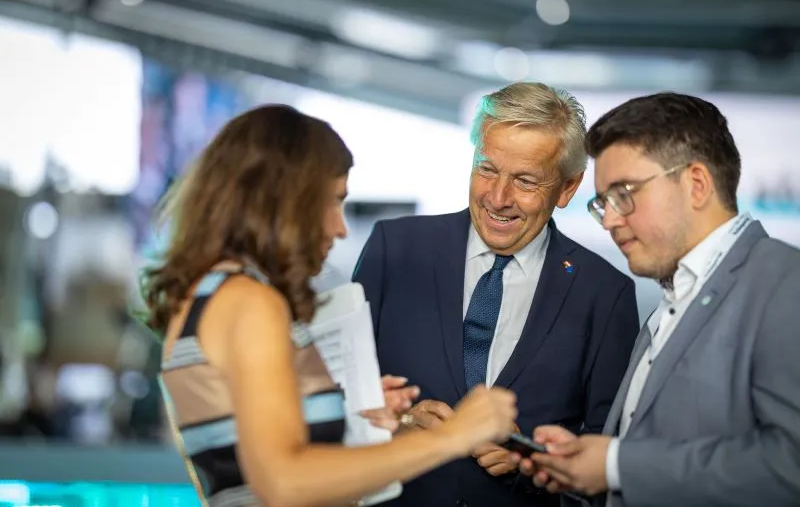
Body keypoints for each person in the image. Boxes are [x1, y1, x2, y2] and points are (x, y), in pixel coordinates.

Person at [140, 104, 519, 507]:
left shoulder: (211, 295)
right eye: (333, 202)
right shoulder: (251, 302)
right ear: (287, 201)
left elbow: (250, 456)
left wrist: (351, 417)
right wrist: (452, 437)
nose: (340, 229)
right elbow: (284, 483)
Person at [352, 82, 641, 507]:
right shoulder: (394, 249)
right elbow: (330, 395)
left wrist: (534, 463)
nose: (498, 198)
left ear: (567, 189)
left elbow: (605, 462)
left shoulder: (604, 294)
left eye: (525, 181)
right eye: (487, 169)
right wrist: (394, 423)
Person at [524, 93, 800, 507]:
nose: (612, 220)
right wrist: (586, 465)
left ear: (697, 184)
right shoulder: (670, 301)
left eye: (625, 193)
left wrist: (616, 464)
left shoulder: (784, 283)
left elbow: (790, 467)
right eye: (603, 203)